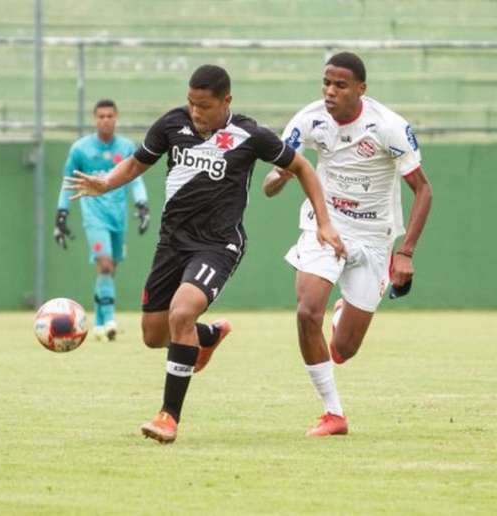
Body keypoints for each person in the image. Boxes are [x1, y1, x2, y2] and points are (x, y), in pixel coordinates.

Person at [65, 64, 345, 444]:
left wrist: (324, 224)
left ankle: (168, 416)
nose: (196, 113)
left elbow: (302, 166)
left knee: (181, 312)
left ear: (226, 101)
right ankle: (206, 337)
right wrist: (106, 182)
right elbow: (136, 163)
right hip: (172, 244)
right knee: (153, 334)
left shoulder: (250, 134)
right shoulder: (172, 125)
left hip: (218, 244)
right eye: (191, 104)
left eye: (205, 106)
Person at [262, 52, 433, 437]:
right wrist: (278, 179)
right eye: (326, 83)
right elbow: (274, 177)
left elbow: (424, 190)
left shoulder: (388, 126)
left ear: (361, 89)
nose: (330, 91)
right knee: (307, 312)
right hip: (325, 225)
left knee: (344, 349)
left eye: (340, 85)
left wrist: (404, 252)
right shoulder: (309, 119)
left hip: (374, 238)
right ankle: (333, 414)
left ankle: (344, 313)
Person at [54, 99, 150, 342]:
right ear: (94, 119)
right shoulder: (80, 149)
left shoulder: (127, 147)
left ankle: (98, 321)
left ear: (116, 117)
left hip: (117, 217)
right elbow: (68, 182)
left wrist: (142, 204)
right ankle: (109, 321)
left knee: (110, 269)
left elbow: (136, 178)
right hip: (94, 216)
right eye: (101, 116)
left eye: (109, 116)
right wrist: (61, 215)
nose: (105, 120)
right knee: (105, 264)